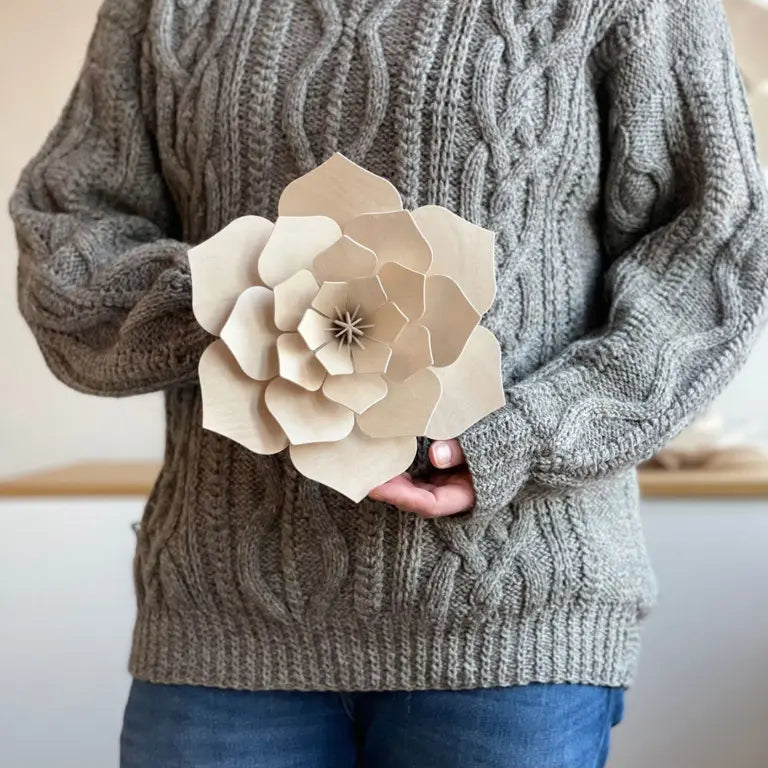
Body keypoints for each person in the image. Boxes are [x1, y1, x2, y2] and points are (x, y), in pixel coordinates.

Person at [11, 0, 768, 766]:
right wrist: (252, 304)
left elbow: (715, 255)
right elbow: (65, 238)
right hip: (223, 624)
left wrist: (528, 436)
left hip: (512, 626)